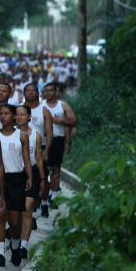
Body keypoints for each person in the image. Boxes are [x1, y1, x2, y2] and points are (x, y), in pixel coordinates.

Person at [0, 104, 33, 267]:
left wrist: (29, 177)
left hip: (16, 178)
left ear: (14, 116)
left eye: (6, 113)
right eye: (1, 114)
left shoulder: (22, 136)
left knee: (15, 221)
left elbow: (26, 159)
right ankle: (0, 254)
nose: (3, 116)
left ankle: (15, 247)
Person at [15, 105, 45, 258]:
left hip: (31, 172)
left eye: (22, 114)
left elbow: (38, 158)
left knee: (26, 210)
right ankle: (15, 239)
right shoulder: (9, 134)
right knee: (14, 213)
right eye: (17, 114)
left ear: (29, 117)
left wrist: (41, 178)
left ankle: (23, 246)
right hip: (14, 174)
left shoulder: (36, 135)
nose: (19, 117)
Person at [42, 82, 76, 210]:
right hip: (42, 141)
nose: (48, 93)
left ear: (56, 91)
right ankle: (44, 199)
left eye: (51, 90)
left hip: (57, 140)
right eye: (46, 90)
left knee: (55, 169)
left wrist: (58, 121)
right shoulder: (40, 106)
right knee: (43, 172)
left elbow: (73, 121)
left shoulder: (63, 105)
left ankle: (55, 197)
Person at [24, 83, 53, 217]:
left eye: (33, 91)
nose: (30, 93)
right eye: (27, 91)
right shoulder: (19, 108)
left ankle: (43, 202)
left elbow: (49, 132)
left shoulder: (44, 110)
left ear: (37, 93)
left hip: (39, 148)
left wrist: (46, 150)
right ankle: (28, 209)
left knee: (42, 177)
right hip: (22, 147)